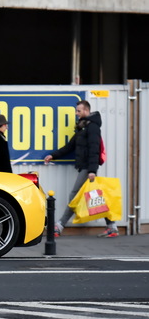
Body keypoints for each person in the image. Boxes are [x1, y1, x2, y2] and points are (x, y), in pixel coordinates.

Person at [44, 100, 118, 238]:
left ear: (85, 111)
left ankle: (59, 225)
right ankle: (112, 226)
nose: (76, 113)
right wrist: (53, 156)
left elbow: (94, 149)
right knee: (97, 198)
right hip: (85, 168)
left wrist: (92, 170)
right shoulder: (83, 127)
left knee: (74, 195)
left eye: (78, 111)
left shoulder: (93, 127)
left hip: (88, 169)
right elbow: (70, 146)